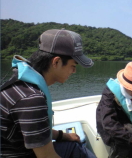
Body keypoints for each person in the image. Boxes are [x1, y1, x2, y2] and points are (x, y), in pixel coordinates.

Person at [1, 29, 97, 158]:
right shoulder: (31, 99)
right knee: (79, 151)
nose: (74, 71)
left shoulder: (20, 82)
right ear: (56, 62)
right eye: (73, 65)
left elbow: (31, 130)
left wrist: (63, 135)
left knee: (73, 146)